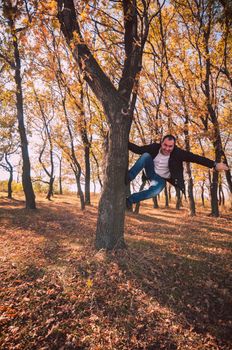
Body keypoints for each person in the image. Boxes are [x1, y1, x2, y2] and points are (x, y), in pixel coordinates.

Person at [126, 134, 229, 206]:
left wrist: (214, 164)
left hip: (161, 179)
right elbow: (138, 150)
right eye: (165, 145)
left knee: (155, 191)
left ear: (174, 146)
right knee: (145, 155)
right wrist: (124, 141)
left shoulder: (178, 153)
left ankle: (130, 200)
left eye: (170, 146)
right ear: (161, 143)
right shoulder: (154, 147)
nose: (167, 148)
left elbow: (196, 158)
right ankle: (129, 177)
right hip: (151, 172)